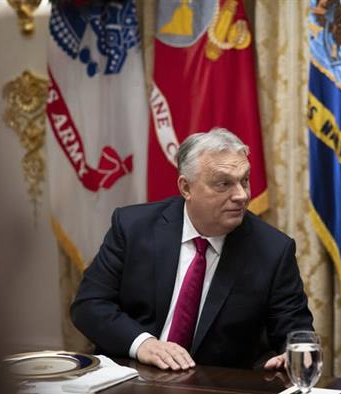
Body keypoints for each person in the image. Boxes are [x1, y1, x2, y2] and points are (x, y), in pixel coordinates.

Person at [72, 128, 314, 371]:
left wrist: (293, 354)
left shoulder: (272, 250)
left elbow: (296, 330)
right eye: (224, 184)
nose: (241, 195)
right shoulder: (134, 227)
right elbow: (89, 304)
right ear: (186, 188)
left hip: (215, 387)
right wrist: (142, 344)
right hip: (132, 374)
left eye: (245, 180)